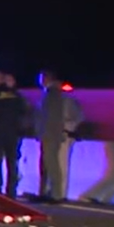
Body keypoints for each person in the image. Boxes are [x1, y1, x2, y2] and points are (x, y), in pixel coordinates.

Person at [36, 70, 84, 202]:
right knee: (51, 164)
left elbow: (50, 117)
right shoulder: (54, 94)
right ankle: (51, 192)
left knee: (54, 164)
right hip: (55, 134)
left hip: (54, 134)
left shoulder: (54, 95)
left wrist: (61, 129)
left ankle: (56, 194)